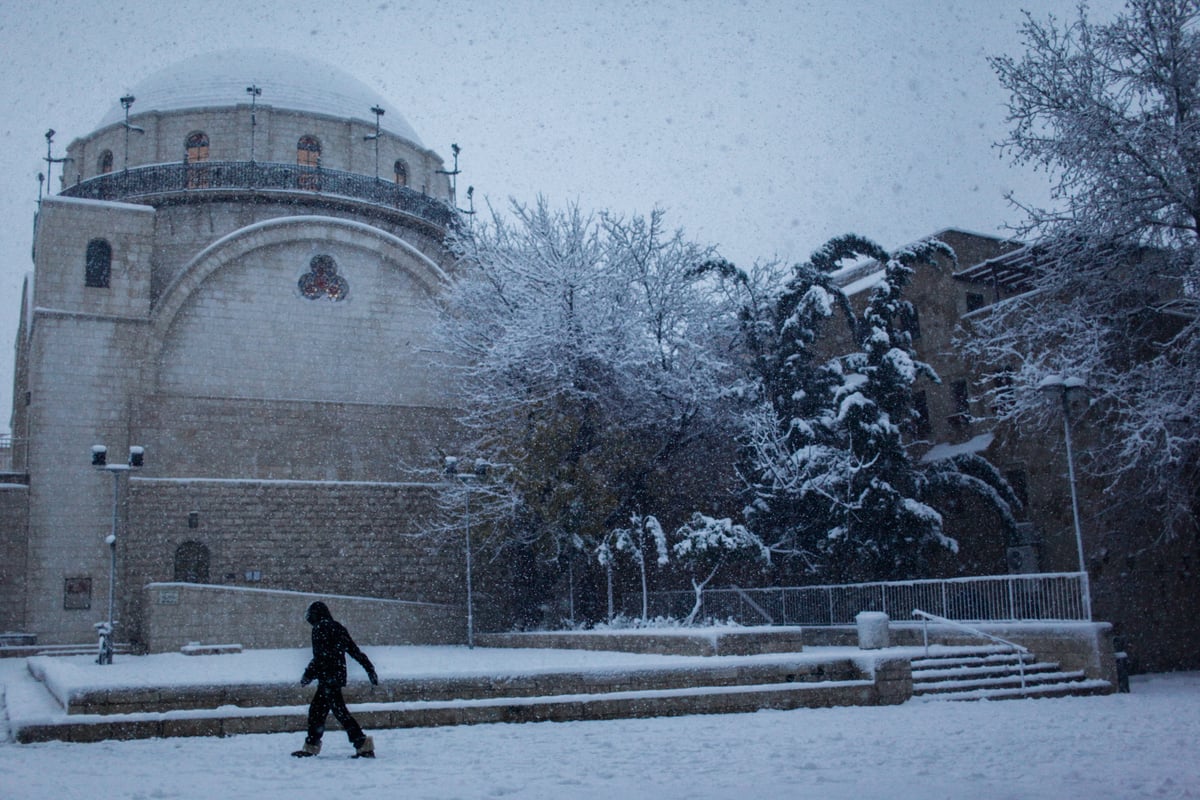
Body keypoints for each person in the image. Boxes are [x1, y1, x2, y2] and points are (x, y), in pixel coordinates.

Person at [291, 601, 379, 759]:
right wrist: (369, 669)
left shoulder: (319, 629)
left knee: (336, 712)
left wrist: (308, 675)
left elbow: (320, 657)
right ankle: (312, 746)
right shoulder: (337, 627)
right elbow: (354, 650)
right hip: (335, 677)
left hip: (327, 678)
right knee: (319, 712)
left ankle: (362, 744)